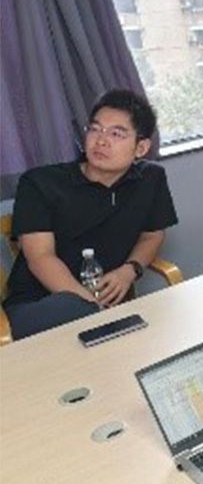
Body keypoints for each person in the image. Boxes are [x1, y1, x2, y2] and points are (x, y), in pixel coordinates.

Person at [5, 89, 177, 340]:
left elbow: (153, 235)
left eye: (116, 133)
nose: (101, 140)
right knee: (81, 316)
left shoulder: (150, 178)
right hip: (40, 304)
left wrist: (129, 271)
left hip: (101, 308)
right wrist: (94, 309)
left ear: (141, 147)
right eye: (95, 129)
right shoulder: (39, 183)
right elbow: (40, 257)